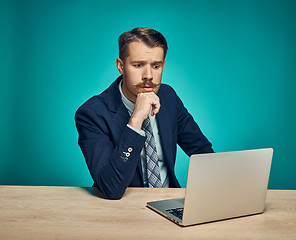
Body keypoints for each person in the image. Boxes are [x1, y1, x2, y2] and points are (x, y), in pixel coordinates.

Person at [75, 27, 213, 200]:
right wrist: (136, 120)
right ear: (121, 66)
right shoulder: (91, 114)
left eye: (156, 66)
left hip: (170, 201)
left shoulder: (168, 97)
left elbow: (203, 153)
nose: (148, 75)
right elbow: (110, 188)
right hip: (121, 208)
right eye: (138, 65)